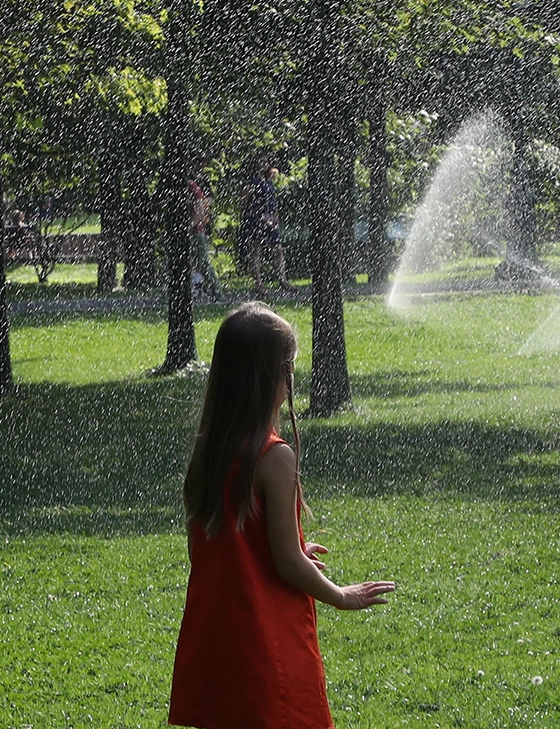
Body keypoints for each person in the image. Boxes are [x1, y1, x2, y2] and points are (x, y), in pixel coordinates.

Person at [169, 303, 395, 729]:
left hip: (218, 643)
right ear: (271, 378)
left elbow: (214, 549)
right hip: (265, 642)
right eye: (287, 368)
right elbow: (288, 563)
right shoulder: (274, 456)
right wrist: (341, 595)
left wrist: (283, 546)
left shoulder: (209, 451)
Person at [239, 155, 294, 295]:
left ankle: (283, 280)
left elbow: (272, 200)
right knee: (257, 249)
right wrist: (249, 217)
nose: (264, 163)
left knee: (278, 248)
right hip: (256, 219)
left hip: (270, 219)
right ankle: (258, 283)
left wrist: (275, 215)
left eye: (266, 161)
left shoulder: (268, 180)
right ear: (255, 164)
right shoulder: (252, 182)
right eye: (261, 161)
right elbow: (243, 201)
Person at [189, 155, 223, 299]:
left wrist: (203, 203)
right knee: (195, 260)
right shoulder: (192, 179)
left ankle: (212, 289)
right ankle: (196, 286)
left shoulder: (200, 182)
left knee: (202, 260)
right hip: (197, 221)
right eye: (199, 162)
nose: (202, 165)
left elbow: (208, 199)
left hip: (198, 223)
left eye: (203, 163)